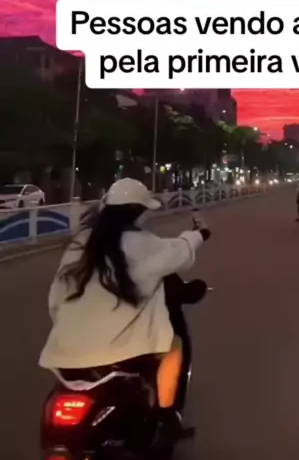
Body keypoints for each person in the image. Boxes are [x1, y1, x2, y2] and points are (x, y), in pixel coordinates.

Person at [39, 178, 210, 440]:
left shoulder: (79, 245)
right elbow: (179, 250)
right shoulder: (142, 243)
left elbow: (55, 301)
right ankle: (167, 416)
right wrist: (200, 233)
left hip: (65, 352)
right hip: (120, 353)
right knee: (174, 346)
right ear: (139, 213)